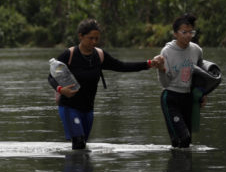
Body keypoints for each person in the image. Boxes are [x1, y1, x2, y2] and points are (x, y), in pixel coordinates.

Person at [48, 18, 164, 149]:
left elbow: (122, 66)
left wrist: (148, 64)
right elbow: (51, 77)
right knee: (79, 143)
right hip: (69, 107)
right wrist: (60, 90)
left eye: (97, 39)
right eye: (90, 38)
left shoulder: (99, 55)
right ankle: (74, 168)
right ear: (80, 36)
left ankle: (82, 169)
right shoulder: (69, 54)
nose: (94, 42)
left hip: (88, 109)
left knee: (82, 146)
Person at [157, 13, 206, 148]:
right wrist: (161, 69)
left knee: (186, 143)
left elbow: (200, 75)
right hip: (171, 98)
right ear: (175, 34)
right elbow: (165, 83)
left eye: (191, 32)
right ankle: (176, 167)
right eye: (184, 32)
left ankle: (181, 168)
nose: (188, 36)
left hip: (188, 98)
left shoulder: (197, 50)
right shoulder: (166, 52)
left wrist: (202, 94)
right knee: (183, 139)